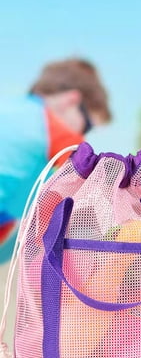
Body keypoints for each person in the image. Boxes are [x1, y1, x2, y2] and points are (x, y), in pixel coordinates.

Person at [0, 57, 111, 262]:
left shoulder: (9, 107)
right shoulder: (54, 129)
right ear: (71, 101)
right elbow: (95, 186)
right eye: (87, 125)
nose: (83, 136)